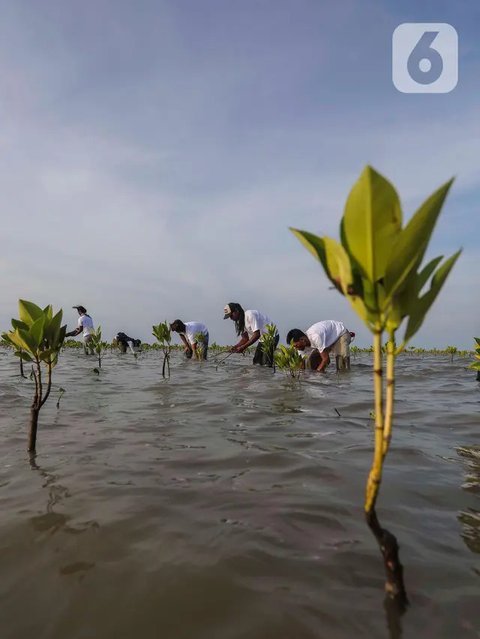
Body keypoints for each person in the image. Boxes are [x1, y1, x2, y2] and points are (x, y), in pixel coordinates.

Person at [223, 302, 279, 366]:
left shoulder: (250, 315)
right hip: (263, 339)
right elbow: (245, 339)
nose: (231, 318)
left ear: (236, 311)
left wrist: (243, 347)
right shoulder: (240, 322)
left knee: (266, 363)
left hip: (272, 336)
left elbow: (257, 334)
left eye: (231, 315)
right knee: (256, 362)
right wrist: (235, 347)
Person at [286, 321, 355, 372]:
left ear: (302, 340)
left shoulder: (315, 337)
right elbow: (302, 366)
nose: (295, 348)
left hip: (340, 334)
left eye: (296, 345)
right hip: (327, 340)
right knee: (312, 361)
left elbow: (326, 359)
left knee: (341, 361)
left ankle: (344, 385)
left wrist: (318, 374)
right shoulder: (300, 347)